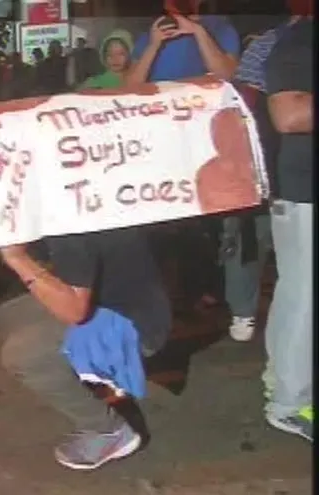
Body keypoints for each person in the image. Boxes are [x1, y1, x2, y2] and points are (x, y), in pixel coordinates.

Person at [0, 226, 171, 469]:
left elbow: (74, 312)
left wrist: (17, 258)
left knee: (24, 356)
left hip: (133, 327)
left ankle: (109, 432)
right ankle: (93, 377)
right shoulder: (68, 213)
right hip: (116, 304)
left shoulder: (71, 224)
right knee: (10, 315)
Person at [124, 0, 240, 312]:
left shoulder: (221, 29)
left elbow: (227, 74)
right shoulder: (152, 34)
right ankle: (162, 296)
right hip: (161, 144)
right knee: (162, 222)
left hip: (205, 145)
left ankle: (204, 289)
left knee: (205, 221)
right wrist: (154, 45)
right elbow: (130, 88)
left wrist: (198, 32)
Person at [221, 16, 301, 342]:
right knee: (249, 239)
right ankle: (243, 310)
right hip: (263, 165)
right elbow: (243, 103)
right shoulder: (268, 44)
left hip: (294, 169)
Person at [262, 11, 313, 441]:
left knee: (296, 293)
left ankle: (281, 383)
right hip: (305, 191)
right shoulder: (300, 42)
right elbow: (290, 115)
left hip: (301, 192)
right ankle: (290, 404)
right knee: (305, 298)